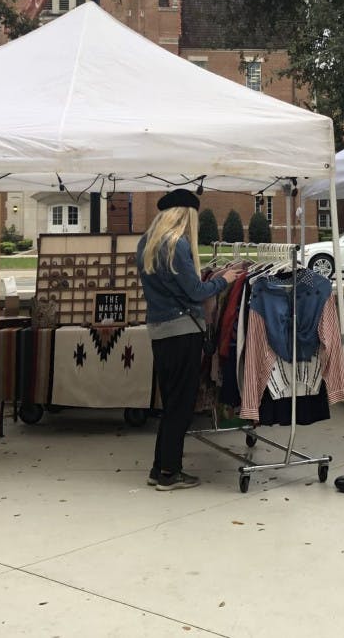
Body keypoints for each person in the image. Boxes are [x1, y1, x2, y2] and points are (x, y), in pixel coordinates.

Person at [137, 188, 239, 490]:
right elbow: (196, 291)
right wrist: (225, 280)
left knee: (171, 404)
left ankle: (160, 468)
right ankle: (170, 472)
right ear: (185, 216)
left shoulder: (146, 244)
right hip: (183, 331)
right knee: (180, 407)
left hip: (159, 331)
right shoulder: (176, 246)